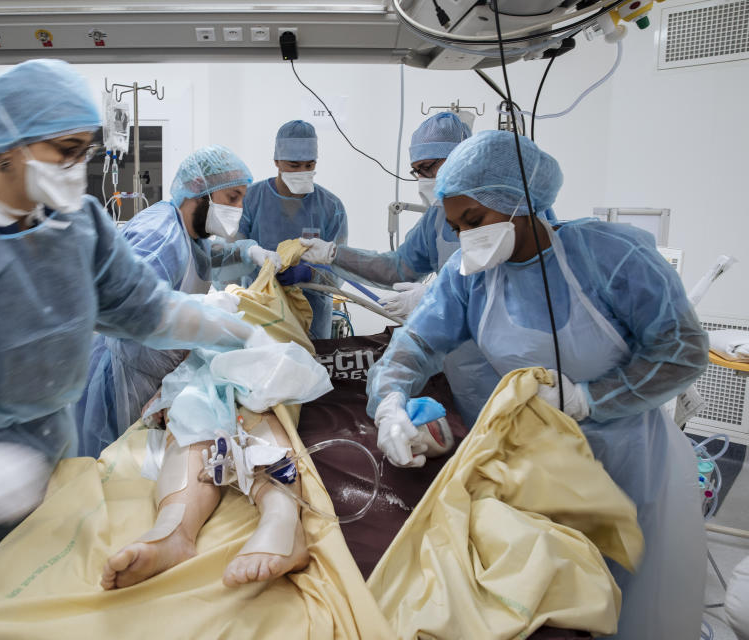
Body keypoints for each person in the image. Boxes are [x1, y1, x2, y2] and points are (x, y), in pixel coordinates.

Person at [0, 60, 271, 640]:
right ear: (6, 146)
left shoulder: (75, 224)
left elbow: (146, 309)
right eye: (64, 149)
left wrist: (237, 334)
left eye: (84, 151)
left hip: (40, 481)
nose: (76, 168)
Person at [365, 130, 708, 639]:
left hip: (629, 464)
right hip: (533, 466)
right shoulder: (470, 275)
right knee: (550, 597)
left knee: (632, 606)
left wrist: (587, 400)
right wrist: (390, 403)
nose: (466, 238)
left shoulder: (609, 256)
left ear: (519, 199)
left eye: (475, 221)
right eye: (456, 226)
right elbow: (416, 344)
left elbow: (682, 352)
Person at [300, 112, 513, 425]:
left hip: (509, 372)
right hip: (464, 375)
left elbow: (521, 287)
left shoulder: (515, 211)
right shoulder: (437, 217)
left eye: (429, 168)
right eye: (416, 172)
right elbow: (398, 267)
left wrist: (434, 296)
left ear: (464, 158)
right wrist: (333, 254)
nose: (423, 180)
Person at [75, 145, 281, 457]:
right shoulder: (160, 234)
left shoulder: (189, 235)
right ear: (200, 192)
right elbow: (131, 309)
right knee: (119, 462)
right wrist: (207, 315)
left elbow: (205, 256)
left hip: (153, 370)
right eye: (232, 197)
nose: (238, 208)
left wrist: (247, 252)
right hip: (127, 376)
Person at [237, 120, 348, 339]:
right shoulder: (251, 200)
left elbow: (341, 266)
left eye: (309, 165)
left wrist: (310, 273)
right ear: (277, 161)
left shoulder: (331, 207)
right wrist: (256, 262)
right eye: (294, 166)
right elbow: (230, 256)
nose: (303, 171)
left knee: (308, 368)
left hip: (312, 319)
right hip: (260, 314)